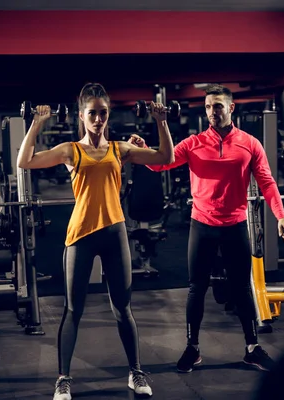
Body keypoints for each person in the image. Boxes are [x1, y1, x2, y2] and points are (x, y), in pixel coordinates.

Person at [16, 83, 175, 400]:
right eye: (92, 113)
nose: (98, 119)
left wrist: (161, 121)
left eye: (103, 113)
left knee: (123, 309)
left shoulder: (120, 149)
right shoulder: (70, 150)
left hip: (115, 233)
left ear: (108, 114)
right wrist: (36, 123)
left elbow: (165, 156)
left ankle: (136, 373)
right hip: (80, 236)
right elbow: (25, 161)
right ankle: (63, 379)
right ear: (82, 116)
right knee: (73, 310)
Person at [128, 83, 284, 373]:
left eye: (217, 106)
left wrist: (281, 216)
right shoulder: (193, 143)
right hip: (202, 223)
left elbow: (267, 182)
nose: (212, 112)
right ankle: (192, 348)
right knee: (196, 288)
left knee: (242, 289)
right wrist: (143, 149)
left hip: (235, 224)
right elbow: (161, 165)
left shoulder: (250, 143)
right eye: (207, 106)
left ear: (231, 108)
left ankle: (252, 348)